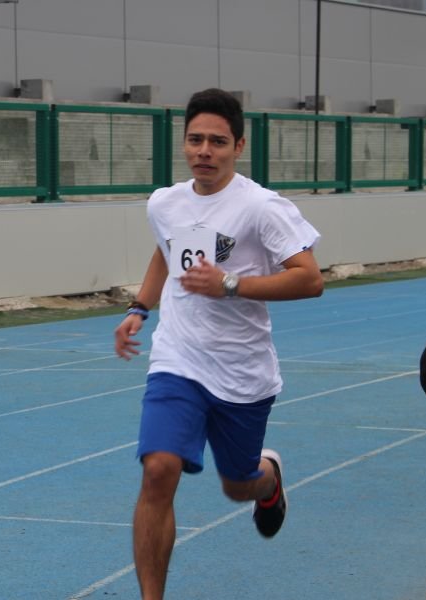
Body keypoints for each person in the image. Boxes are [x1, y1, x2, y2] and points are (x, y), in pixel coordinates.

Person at [113, 88, 324, 600]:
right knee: (158, 469)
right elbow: (166, 251)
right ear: (184, 143)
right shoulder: (165, 203)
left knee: (237, 485)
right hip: (178, 359)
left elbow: (310, 278)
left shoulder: (261, 207)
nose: (204, 151)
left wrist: (230, 284)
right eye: (195, 140)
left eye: (217, 141)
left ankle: (268, 481)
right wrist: (140, 307)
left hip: (241, 370)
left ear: (239, 146)